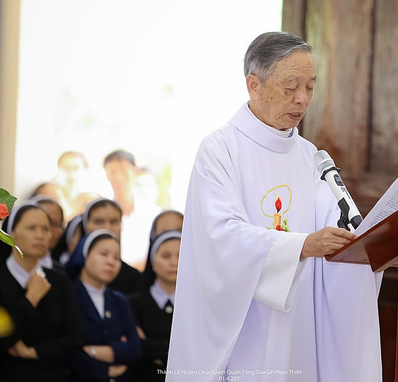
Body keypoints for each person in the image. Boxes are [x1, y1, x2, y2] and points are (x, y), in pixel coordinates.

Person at [166, 32, 383, 381]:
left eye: (310, 87)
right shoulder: (220, 150)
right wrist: (301, 246)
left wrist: (372, 246)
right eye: (290, 87)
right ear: (254, 85)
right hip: (245, 324)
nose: (302, 99)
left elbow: (336, 227)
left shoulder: (309, 156)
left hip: (299, 320)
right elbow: (221, 236)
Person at [0, 202, 84, 382]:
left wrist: (34, 352)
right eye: (31, 228)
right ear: (11, 233)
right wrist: (30, 300)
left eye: (45, 229)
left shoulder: (59, 281)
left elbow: (76, 337)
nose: (40, 235)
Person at [65, 229, 142, 381]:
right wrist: (105, 370)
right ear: (84, 255)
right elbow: (67, 351)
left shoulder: (119, 300)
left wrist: (91, 351)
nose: (111, 262)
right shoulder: (68, 295)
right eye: (103, 254)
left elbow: (135, 348)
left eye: (117, 257)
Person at [127, 229, 181, 382]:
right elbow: (135, 346)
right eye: (166, 256)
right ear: (152, 261)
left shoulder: (198, 305)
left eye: (180, 255)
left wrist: (155, 348)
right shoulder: (134, 303)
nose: (174, 262)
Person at [102, 149, 161, 269]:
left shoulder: (152, 213)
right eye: (113, 172)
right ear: (107, 175)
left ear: (134, 171)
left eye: (123, 171)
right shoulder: (102, 214)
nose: (118, 177)